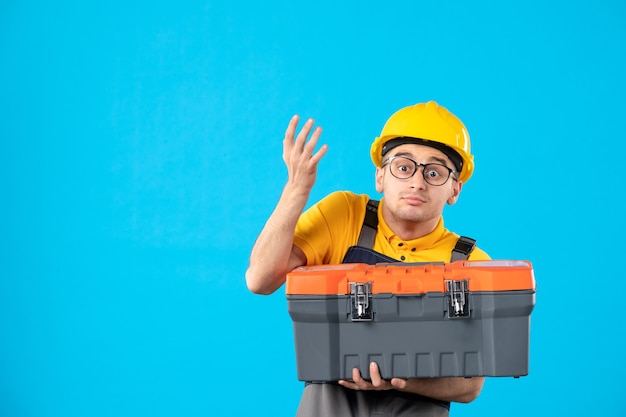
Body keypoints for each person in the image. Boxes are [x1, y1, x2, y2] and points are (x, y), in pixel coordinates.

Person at [246, 101, 491, 417]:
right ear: (380, 176)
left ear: (454, 189)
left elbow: (470, 386)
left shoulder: (471, 263)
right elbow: (260, 280)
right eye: (404, 166)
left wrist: (399, 380)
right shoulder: (343, 215)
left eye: (434, 172)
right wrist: (296, 189)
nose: (417, 182)